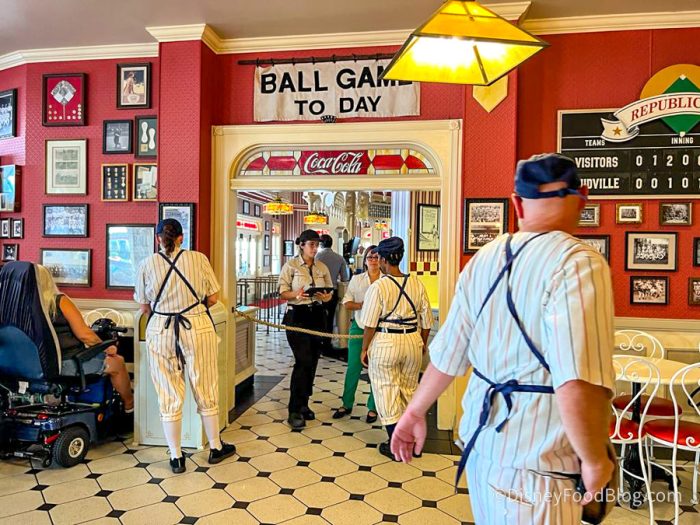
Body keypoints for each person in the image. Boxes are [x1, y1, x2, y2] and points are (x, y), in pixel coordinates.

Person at [391, 154, 617, 524]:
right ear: (583, 197)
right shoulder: (578, 262)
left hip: (482, 447)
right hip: (540, 464)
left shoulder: (486, 257)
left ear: (517, 203)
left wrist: (415, 412)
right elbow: (575, 379)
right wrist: (594, 460)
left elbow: (449, 354)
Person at [135, 218, 235, 474]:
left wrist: (166, 309)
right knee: (206, 384)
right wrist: (191, 307)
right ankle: (215, 447)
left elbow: (144, 306)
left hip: (160, 329)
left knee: (168, 392)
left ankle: (176, 456)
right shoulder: (198, 259)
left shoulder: (146, 264)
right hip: (196, 325)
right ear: (182, 237)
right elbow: (213, 297)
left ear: (158, 239)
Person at [359, 236, 433, 459]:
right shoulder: (417, 283)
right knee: (409, 391)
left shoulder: (378, 287)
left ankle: (397, 445)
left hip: (385, 341)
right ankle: (413, 443)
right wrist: (421, 343)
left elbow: (370, 324)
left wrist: (364, 349)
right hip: (412, 341)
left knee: (386, 390)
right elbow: (427, 322)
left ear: (383, 259)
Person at [35, 264, 134, 412]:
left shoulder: (20, 307)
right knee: (117, 362)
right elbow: (85, 336)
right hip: (66, 364)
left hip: (33, 366)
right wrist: (105, 348)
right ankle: (129, 407)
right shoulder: (59, 301)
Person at [279, 229, 334, 429]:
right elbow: (282, 292)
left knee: (312, 362)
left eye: (316, 244)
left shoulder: (322, 267)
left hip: (317, 316)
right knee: (303, 361)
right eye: (311, 244)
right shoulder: (291, 266)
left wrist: (326, 297)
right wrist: (296, 294)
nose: (315, 248)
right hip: (297, 316)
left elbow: (329, 291)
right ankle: (294, 409)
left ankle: (304, 404)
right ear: (301, 245)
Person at [332, 244, 379, 423]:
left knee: (376, 369)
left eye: (376, 257)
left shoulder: (387, 280)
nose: (373, 260)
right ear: (365, 260)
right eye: (370, 257)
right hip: (359, 327)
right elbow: (347, 302)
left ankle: (373, 407)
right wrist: (362, 305)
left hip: (380, 330)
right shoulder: (357, 279)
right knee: (353, 367)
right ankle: (347, 403)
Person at [314, 234, 350, 355]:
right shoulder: (339, 258)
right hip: (331, 291)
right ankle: (327, 344)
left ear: (320, 244)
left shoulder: (315, 257)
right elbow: (345, 278)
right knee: (329, 319)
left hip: (317, 292)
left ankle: (317, 344)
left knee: (317, 318)